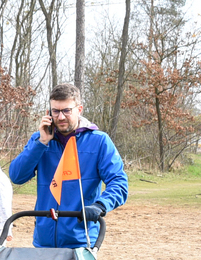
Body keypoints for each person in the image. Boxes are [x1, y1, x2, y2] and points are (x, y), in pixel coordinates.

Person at [8, 83, 128, 249]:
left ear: (79, 109)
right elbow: (17, 176)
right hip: (44, 241)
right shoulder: (40, 140)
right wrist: (41, 143)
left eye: (66, 111)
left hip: (81, 240)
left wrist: (99, 205)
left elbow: (119, 183)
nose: (61, 117)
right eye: (55, 111)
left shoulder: (99, 141)